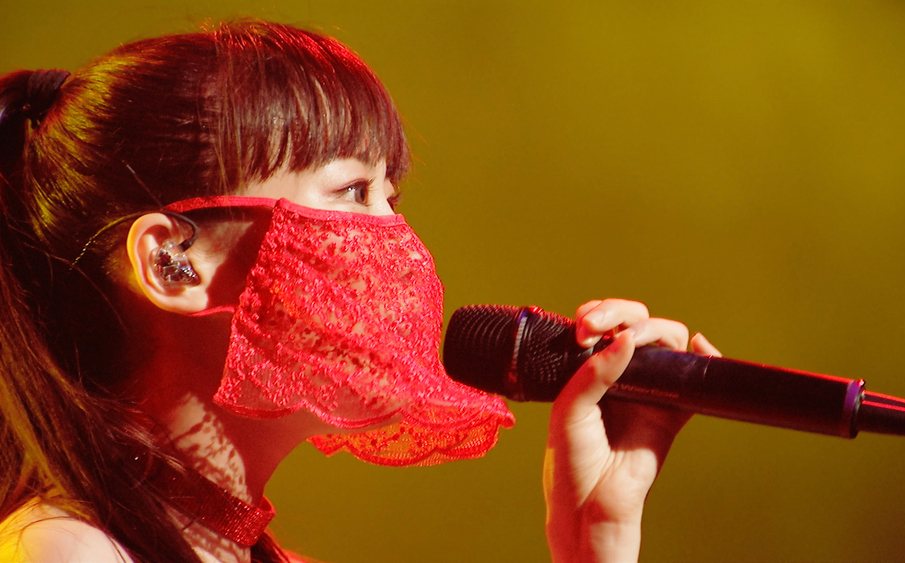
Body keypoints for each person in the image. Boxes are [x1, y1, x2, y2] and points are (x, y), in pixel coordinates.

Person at [0, 20, 719, 563]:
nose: (398, 240)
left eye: (391, 198)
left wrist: (596, 538)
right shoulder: (62, 551)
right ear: (171, 263)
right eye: (352, 192)